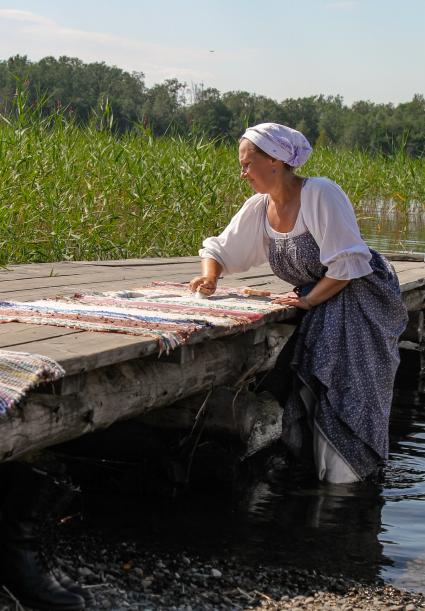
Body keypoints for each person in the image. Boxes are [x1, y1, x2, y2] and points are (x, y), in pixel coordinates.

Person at [190, 122, 408, 485]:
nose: (242, 173)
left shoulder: (320, 193)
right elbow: (220, 249)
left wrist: (308, 300)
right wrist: (211, 276)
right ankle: (316, 473)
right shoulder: (259, 208)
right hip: (321, 297)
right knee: (315, 383)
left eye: (247, 164)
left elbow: (350, 264)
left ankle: (348, 479)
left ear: (275, 160)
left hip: (360, 296)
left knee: (350, 384)